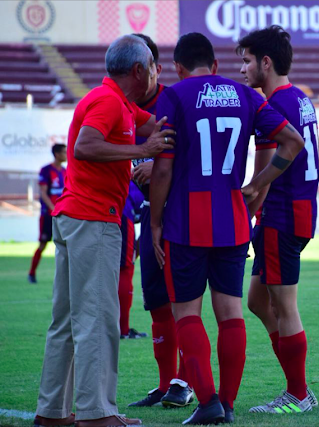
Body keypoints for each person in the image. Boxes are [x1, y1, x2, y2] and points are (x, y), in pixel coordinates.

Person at [149, 32, 304, 425]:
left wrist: (154, 221)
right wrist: (258, 183)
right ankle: (228, 403)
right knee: (230, 312)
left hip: (185, 223)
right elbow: (292, 142)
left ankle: (207, 403)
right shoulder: (248, 96)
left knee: (187, 312)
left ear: (178, 69)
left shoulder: (175, 95)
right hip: (233, 221)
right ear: (215, 66)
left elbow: (163, 168)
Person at [33, 34, 175, 427]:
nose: (156, 74)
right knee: (97, 319)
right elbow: (85, 145)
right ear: (138, 70)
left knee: (66, 322)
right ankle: (96, 415)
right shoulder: (109, 101)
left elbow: (162, 125)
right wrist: (141, 153)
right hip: (93, 220)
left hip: (77, 218)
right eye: (152, 67)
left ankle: (53, 413)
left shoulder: (121, 103)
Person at [237, 25, 319, 414]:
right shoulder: (301, 99)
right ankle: (297, 385)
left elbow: (269, 169)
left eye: (247, 60)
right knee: (257, 300)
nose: (242, 70)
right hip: (300, 212)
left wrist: (254, 194)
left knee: (285, 306)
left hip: (281, 216)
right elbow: (316, 160)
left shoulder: (271, 106)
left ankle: (298, 394)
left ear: (265, 63)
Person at [127, 33, 194, 409]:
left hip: (180, 217)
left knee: (183, 299)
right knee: (156, 302)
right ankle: (166, 383)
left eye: (141, 68)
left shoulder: (176, 100)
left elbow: (204, 156)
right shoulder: (120, 104)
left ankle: (186, 381)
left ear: (154, 67)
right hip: (144, 217)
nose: (134, 78)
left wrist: (160, 165)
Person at [28, 144, 67, 284]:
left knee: (66, 245)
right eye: (64, 152)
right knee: (43, 245)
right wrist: (53, 209)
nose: (66, 154)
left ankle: (65, 277)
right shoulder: (46, 170)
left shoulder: (65, 171)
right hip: (48, 215)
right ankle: (32, 273)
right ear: (56, 154)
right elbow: (43, 193)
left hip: (62, 215)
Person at [118, 181, 147, 339]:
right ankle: (122, 329)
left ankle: (118, 327)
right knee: (125, 270)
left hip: (108, 210)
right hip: (122, 211)